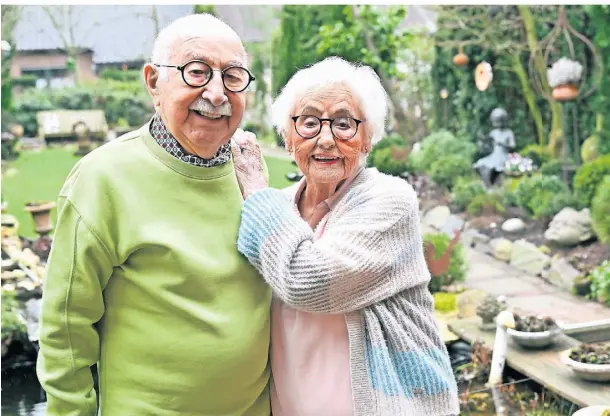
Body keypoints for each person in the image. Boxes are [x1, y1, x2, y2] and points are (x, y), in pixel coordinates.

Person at [36, 14, 271, 415]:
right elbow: (65, 331)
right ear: (153, 82)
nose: (216, 94)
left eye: (233, 77)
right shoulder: (102, 179)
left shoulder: (254, 177)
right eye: (197, 72)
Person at [231, 57, 460, 416]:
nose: (325, 139)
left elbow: (308, 280)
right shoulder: (278, 209)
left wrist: (257, 190)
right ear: (288, 139)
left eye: (343, 123)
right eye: (308, 123)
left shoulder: (389, 201)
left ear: (368, 137)